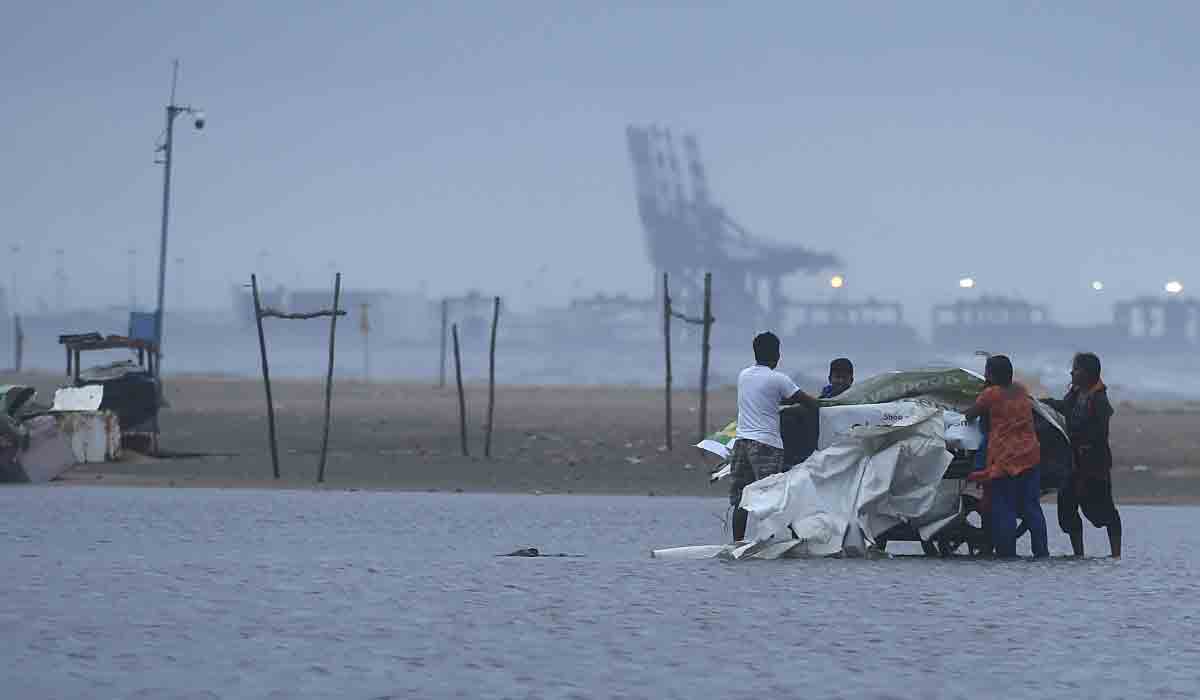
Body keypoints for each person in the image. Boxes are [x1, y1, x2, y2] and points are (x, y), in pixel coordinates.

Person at [730, 332, 820, 542]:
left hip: (741, 442)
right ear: (777, 355)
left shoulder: (743, 376)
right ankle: (785, 539)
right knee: (773, 497)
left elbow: (766, 400)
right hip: (766, 445)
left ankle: (737, 542)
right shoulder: (779, 379)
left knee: (741, 499)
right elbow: (809, 403)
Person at [964, 355, 1049, 558]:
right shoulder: (1021, 390)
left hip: (1005, 459)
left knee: (1006, 508)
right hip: (1030, 456)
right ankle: (1041, 553)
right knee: (1032, 508)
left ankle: (1007, 555)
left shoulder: (990, 394)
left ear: (990, 374)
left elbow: (970, 415)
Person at [1041, 352, 1121, 558]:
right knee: (1067, 510)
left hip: (1094, 465)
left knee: (1102, 511)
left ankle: (1116, 555)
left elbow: (1099, 433)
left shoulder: (1099, 400)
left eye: (1075, 369)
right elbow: (1064, 408)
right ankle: (1079, 555)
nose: (1071, 372)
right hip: (1072, 463)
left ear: (1087, 373)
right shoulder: (1075, 394)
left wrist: (1081, 442)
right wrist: (1041, 403)